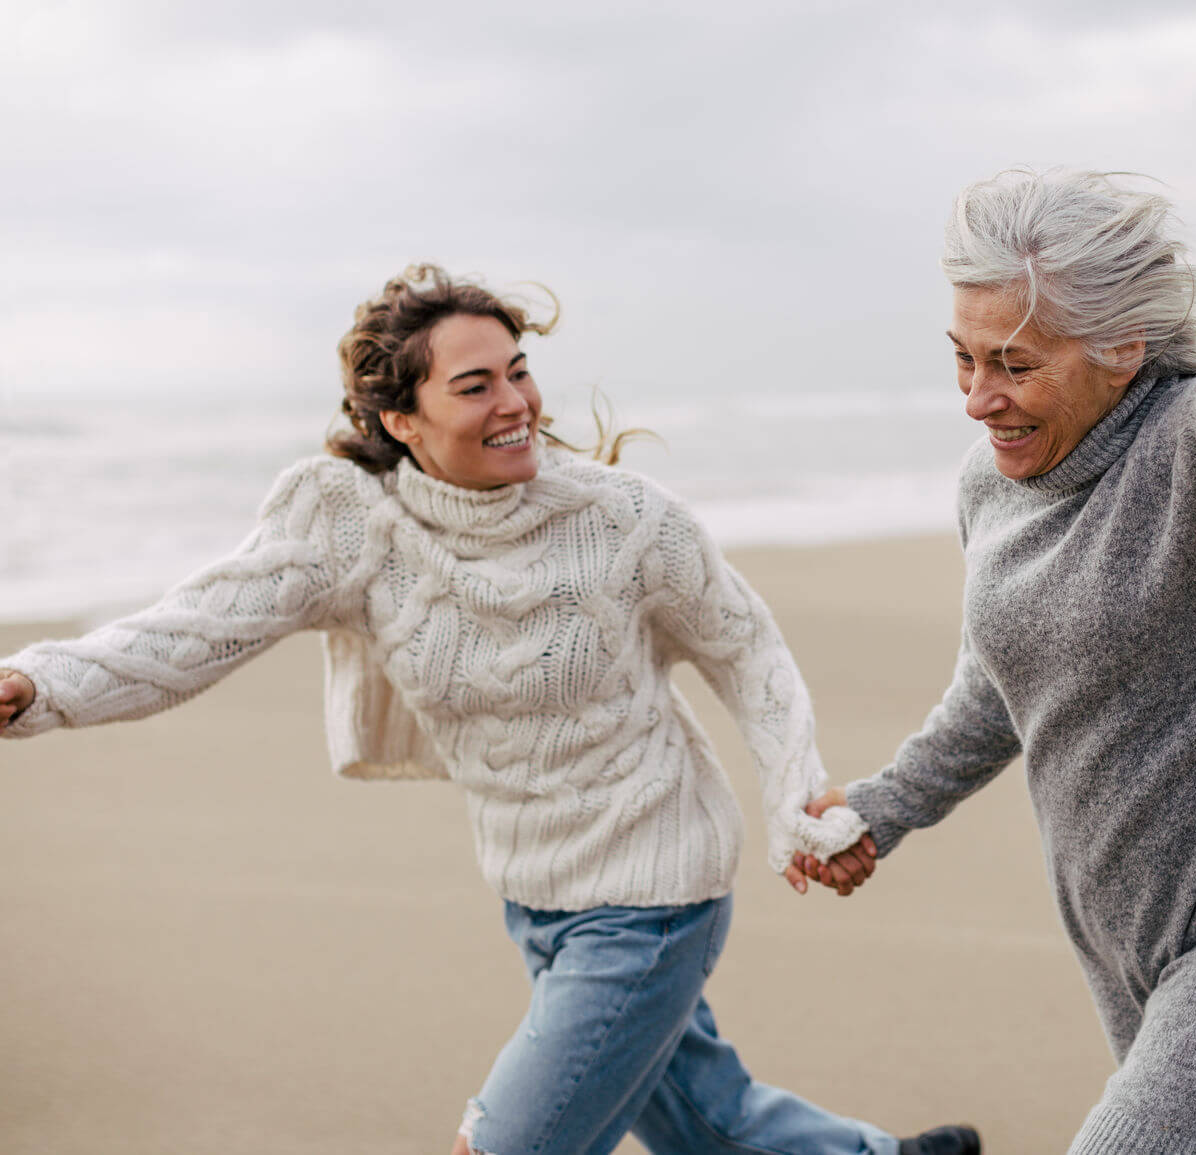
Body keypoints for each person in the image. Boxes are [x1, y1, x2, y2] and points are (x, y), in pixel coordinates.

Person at [0, 265, 980, 1155]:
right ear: (400, 421)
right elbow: (192, 631)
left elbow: (745, 649)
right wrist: (41, 687)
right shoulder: (351, 529)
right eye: (474, 386)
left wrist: (793, 801)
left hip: (655, 886)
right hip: (531, 892)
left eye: (516, 372)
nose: (514, 404)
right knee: (707, 1124)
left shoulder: (624, 521)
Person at [795, 3, 1196, 1152]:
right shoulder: (992, 485)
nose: (976, 397)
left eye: (1013, 365)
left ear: (1121, 350)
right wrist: (884, 808)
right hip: (1125, 943)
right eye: (960, 356)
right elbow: (1006, 683)